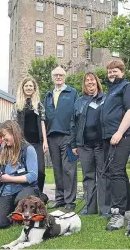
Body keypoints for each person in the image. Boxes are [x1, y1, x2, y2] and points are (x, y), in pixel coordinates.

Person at [100, 59, 130, 231]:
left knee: (115, 170)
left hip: (124, 135)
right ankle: (128, 209)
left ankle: (118, 214)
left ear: (122, 72)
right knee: (118, 171)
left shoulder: (127, 87)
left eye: (115, 70)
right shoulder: (110, 91)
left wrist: (119, 132)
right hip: (111, 136)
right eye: (109, 71)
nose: (112, 73)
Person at [0, 120, 40, 229]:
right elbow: (5, 172)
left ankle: (36, 203)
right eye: (1, 137)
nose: (2, 139)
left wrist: (9, 178)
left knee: (21, 200)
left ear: (13, 132)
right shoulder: (3, 149)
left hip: (25, 188)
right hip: (7, 190)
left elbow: (33, 176)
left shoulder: (28, 149)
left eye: (4, 136)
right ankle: (14, 213)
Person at [70, 72, 108, 216]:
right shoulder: (79, 101)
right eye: (87, 80)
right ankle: (90, 208)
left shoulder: (105, 98)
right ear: (84, 84)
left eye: (92, 79)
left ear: (97, 82)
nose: (90, 82)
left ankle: (105, 209)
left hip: (101, 144)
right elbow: (73, 124)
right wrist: (73, 144)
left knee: (103, 175)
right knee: (88, 176)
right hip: (84, 145)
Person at [44, 66, 78, 211]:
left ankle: (70, 201)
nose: (58, 77)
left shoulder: (72, 92)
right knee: (57, 169)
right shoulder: (48, 95)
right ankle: (60, 199)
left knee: (69, 169)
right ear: (52, 77)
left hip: (68, 136)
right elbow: (44, 118)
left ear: (64, 77)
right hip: (52, 137)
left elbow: (76, 115)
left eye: (61, 75)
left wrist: (74, 137)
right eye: (56, 75)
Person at [12, 76, 48, 193]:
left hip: (37, 142)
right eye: (26, 86)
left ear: (34, 89)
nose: (28, 88)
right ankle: (24, 196)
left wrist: (45, 142)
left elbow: (43, 123)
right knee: (23, 171)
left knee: (40, 171)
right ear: (23, 88)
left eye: (30, 86)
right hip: (22, 143)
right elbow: (13, 124)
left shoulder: (39, 105)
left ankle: (39, 195)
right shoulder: (17, 105)